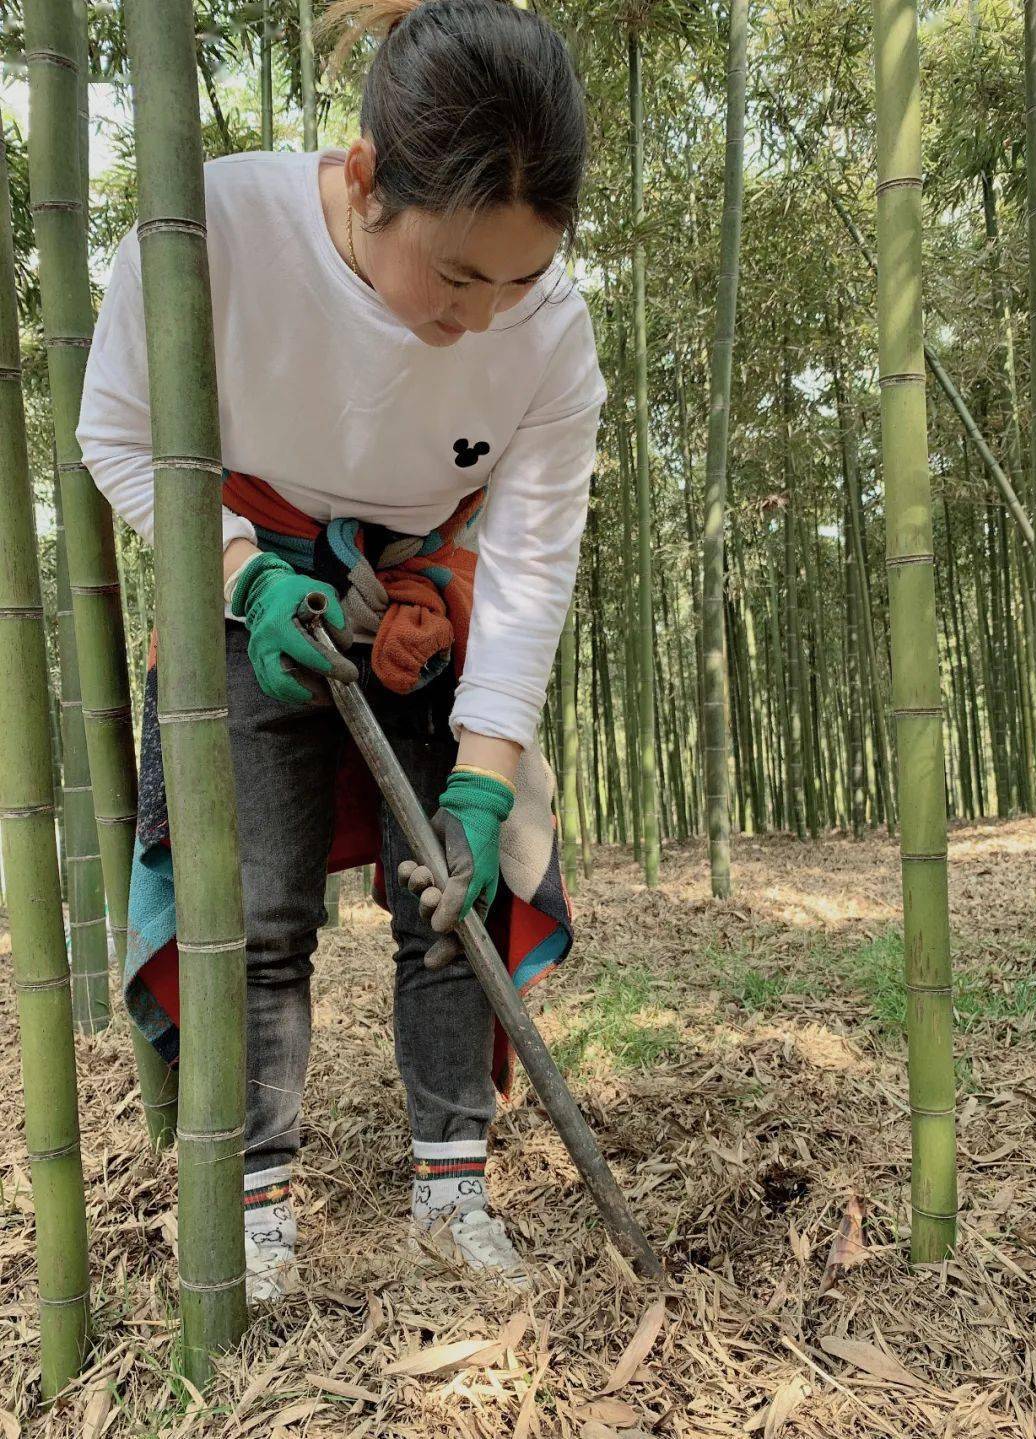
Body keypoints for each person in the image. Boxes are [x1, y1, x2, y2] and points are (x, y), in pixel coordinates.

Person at [76, 0, 605, 1300]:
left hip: (436, 598)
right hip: (249, 583)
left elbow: (530, 561)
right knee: (255, 911)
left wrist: (484, 778)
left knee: (455, 892)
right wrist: (247, 581)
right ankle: (253, 1213)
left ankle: (452, 1193)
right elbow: (122, 433)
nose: (484, 319)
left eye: (521, 278)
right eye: (458, 276)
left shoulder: (551, 335)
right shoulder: (212, 231)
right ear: (366, 182)